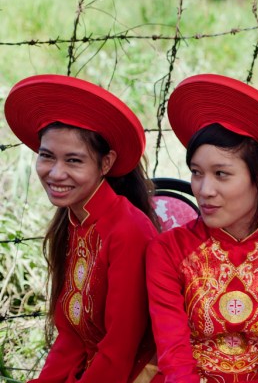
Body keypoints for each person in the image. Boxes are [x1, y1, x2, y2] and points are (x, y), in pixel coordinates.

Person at [145, 74, 258, 381]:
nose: (204, 189)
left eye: (222, 174)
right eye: (197, 173)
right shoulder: (168, 251)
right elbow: (174, 356)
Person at [4, 74, 161, 382]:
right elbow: (72, 337)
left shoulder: (129, 231)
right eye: (46, 156)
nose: (56, 173)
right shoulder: (73, 221)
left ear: (106, 164)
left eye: (74, 161)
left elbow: (119, 352)